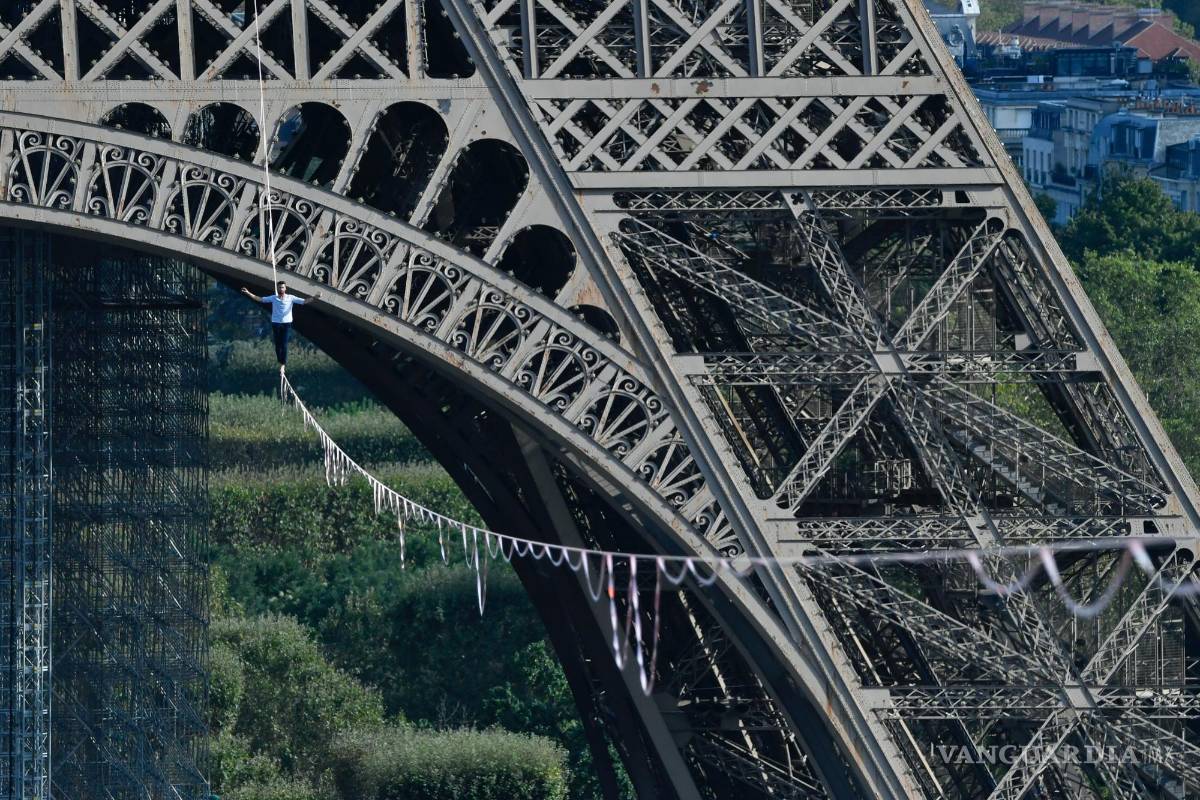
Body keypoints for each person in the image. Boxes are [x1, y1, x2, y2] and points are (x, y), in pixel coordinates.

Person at [240, 281, 319, 370]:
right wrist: (248, 293)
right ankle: (279, 361)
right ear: (277, 289)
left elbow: (304, 301)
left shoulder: (290, 298)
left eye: (282, 287)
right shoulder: (273, 298)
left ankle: (283, 364)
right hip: (276, 323)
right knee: (278, 345)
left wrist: (315, 297)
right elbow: (260, 299)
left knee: (284, 344)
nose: (281, 289)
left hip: (286, 323)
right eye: (279, 287)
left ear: (285, 289)